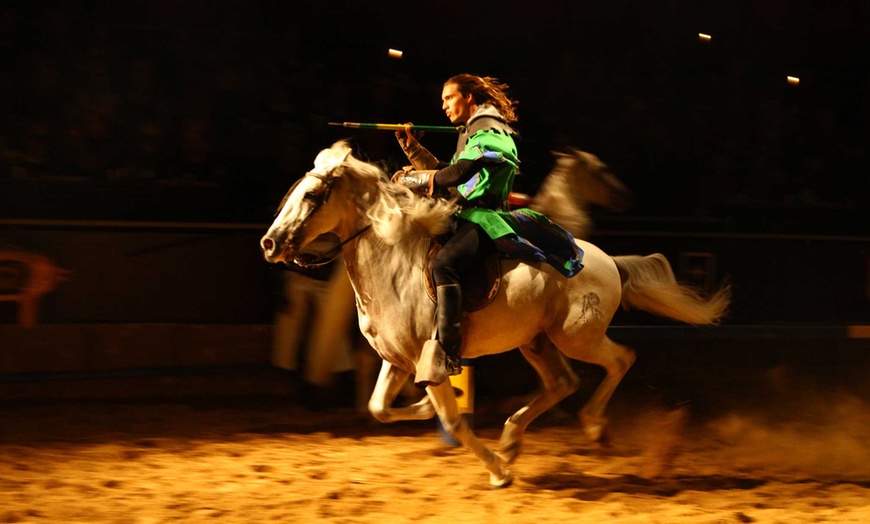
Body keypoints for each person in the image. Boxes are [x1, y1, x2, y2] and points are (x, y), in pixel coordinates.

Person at [392, 74, 523, 387]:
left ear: (469, 97)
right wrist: (414, 150)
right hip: (463, 213)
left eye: (449, 98)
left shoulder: (491, 129)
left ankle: (448, 354)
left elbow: (457, 174)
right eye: (442, 100)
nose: (444, 106)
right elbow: (450, 179)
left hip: (486, 218)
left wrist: (407, 180)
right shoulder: (471, 134)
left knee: (444, 264)